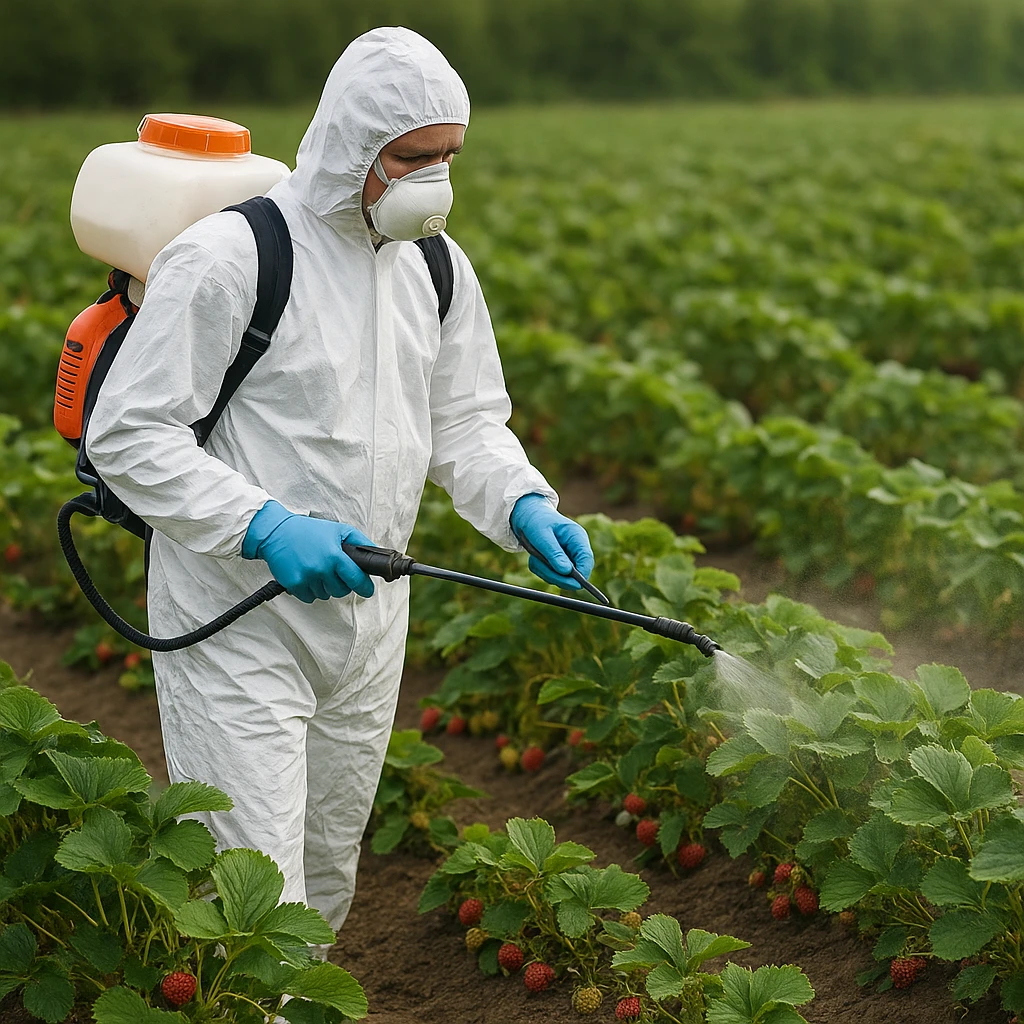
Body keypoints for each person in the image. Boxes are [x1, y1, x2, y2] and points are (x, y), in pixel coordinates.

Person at [85, 26, 594, 943]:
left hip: (367, 617)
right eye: (412, 157)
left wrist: (523, 503)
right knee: (251, 889)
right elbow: (130, 433)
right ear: (355, 146)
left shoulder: (437, 268)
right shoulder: (235, 257)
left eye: (449, 157)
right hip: (236, 613)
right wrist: (267, 526)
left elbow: (468, 421)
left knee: (325, 868)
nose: (434, 179)